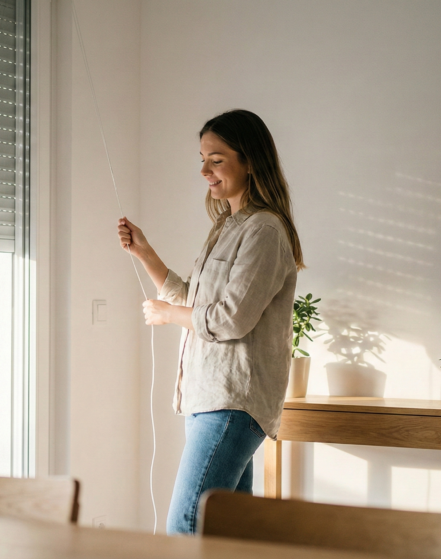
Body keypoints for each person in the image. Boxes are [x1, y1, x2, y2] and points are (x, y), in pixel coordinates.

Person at [117, 109, 304, 535]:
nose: (204, 170)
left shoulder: (265, 231)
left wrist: (168, 315)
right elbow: (196, 301)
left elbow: (230, 319)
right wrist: (145, 253)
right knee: (232, 533)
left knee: (186, 525)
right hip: (209, 398)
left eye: (216, 159)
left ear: (249, 160)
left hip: (232, 401)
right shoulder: (227, 226)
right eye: (202, 159)